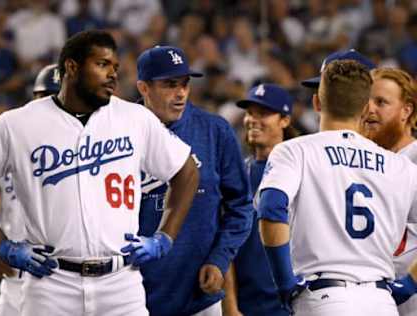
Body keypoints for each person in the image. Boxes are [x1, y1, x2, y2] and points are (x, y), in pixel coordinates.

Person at [0, 30, 199, 316]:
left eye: (115, 67)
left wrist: (164, 236)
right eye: (102, 64)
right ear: (72, 66)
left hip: (120, 282)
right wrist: (1, 245)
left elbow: (187, 171)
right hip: (50, 282)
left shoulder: (135, 118)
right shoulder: (18, 123)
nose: (113, 75)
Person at [259, 60, 417, 315]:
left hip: (324, 296)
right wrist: (410, 282)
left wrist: (284, 282)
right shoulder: (398, 165)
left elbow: (271, 207)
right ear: (365, 108)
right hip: (381, 301)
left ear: (317, 103)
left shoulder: (295, 150)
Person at [135, 45, 253, 316]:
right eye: (170, 85)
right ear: (143, 88)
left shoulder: (214, 131)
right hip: (132, 293)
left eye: (185, 84)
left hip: (198, 295)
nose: (181, 94)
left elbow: (241, 207)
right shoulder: (118, 131)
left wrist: (220, 258)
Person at [0, 63, 61, 316]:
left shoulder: (81, 148)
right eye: (46, 97)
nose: (50, 105)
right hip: (13, 274)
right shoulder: (10, 136)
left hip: (57, 278)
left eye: (57, 97)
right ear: (34, 98)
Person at [227, 83, 297, 316]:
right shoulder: (236, 174)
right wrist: (231, 307)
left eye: (264, 113)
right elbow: (226, 246)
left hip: (293, 301)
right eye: (250, 113)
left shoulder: (301, 169)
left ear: (284, 120)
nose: (253, 120)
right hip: (248, 304)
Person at [360, 67, 417, 315]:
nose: (370, 109)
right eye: (366, 101)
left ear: (407, 110)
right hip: (374, 297)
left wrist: (411, 282)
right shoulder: (368, 160)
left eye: (381, 102)